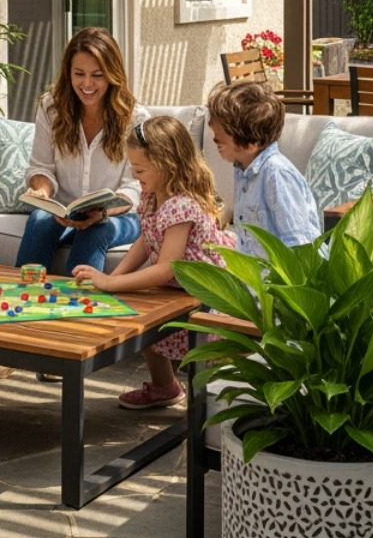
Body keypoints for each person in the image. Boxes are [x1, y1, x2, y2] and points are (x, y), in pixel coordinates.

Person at [72, 115, 234, 410]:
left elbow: (165, 268)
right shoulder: (152, 195)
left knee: (204, 356)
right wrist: (112, 282)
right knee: (139, 312)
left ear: (166, 163)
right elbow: (146, 241)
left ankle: (212, 410)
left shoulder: (181, 204)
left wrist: (110, 282)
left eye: (140, 168)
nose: (135, 176)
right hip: (178, 287)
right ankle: (165, 388)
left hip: (205, 294)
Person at [14, 27, 142, 273]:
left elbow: (133, 188)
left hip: (119, 215)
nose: (87, 84)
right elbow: (41, 167)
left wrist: (103, 212)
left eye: (97, 75)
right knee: (40, 220)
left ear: (112, 75)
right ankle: (23, 298)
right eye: (79, 74)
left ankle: (81, 304)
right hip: (65, 211)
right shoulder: (51, 108)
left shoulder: (133, 118)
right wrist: (41, 191)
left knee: (97, 229)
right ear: (68, 73)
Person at [207, 81, 320, 257]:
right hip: (256, 279)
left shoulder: (277, 174)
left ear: (252, 144)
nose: (215, 140)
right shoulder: (243, 170)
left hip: (282, 280)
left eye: (220, 139)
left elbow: (299, 243)